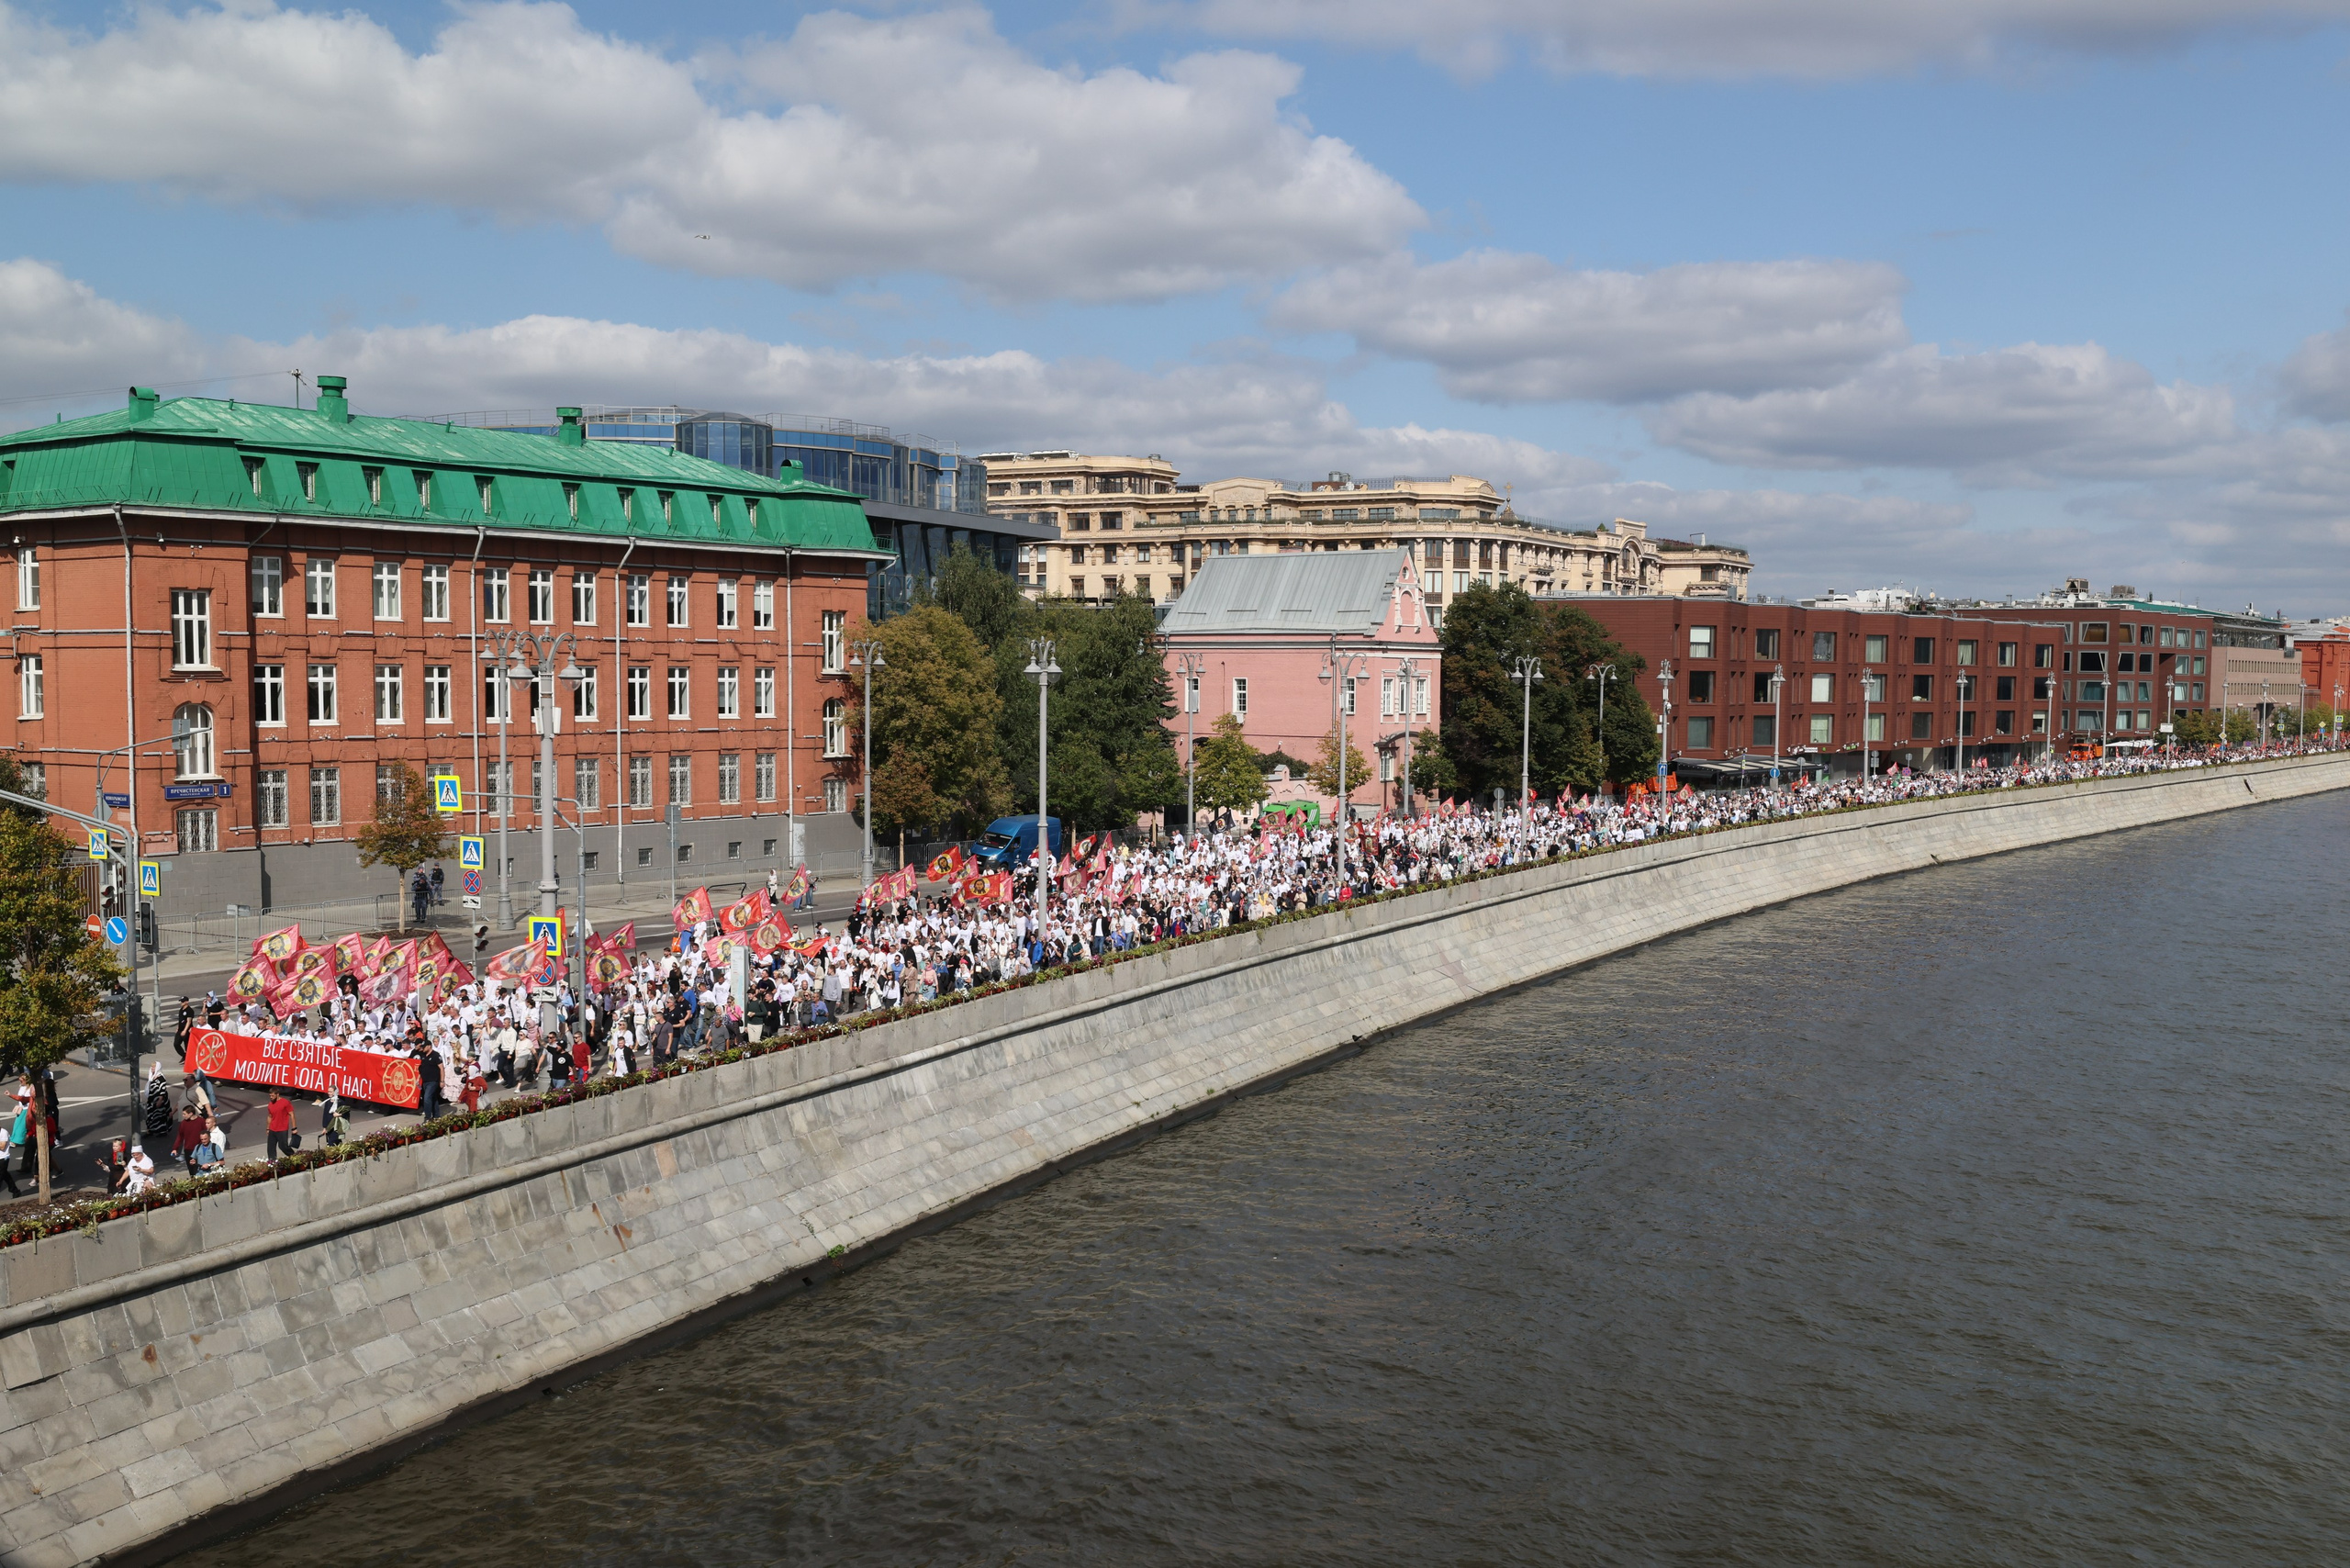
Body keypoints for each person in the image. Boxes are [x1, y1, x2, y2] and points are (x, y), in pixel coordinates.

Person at [264, 1090, 296, 1161]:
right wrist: (268, 1128)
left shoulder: (285, 1102)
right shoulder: (270, 1104)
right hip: (272, 1129)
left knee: (283, 1146)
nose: (271, 1097)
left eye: (272, 1096)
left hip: (282, 1129)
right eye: (270, 1096)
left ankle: (294, 1156)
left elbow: (292, 1114)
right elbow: (269, 1116)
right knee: (270, 1148)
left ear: (277, 1094)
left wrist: (294, 1128)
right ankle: (272, 1163)